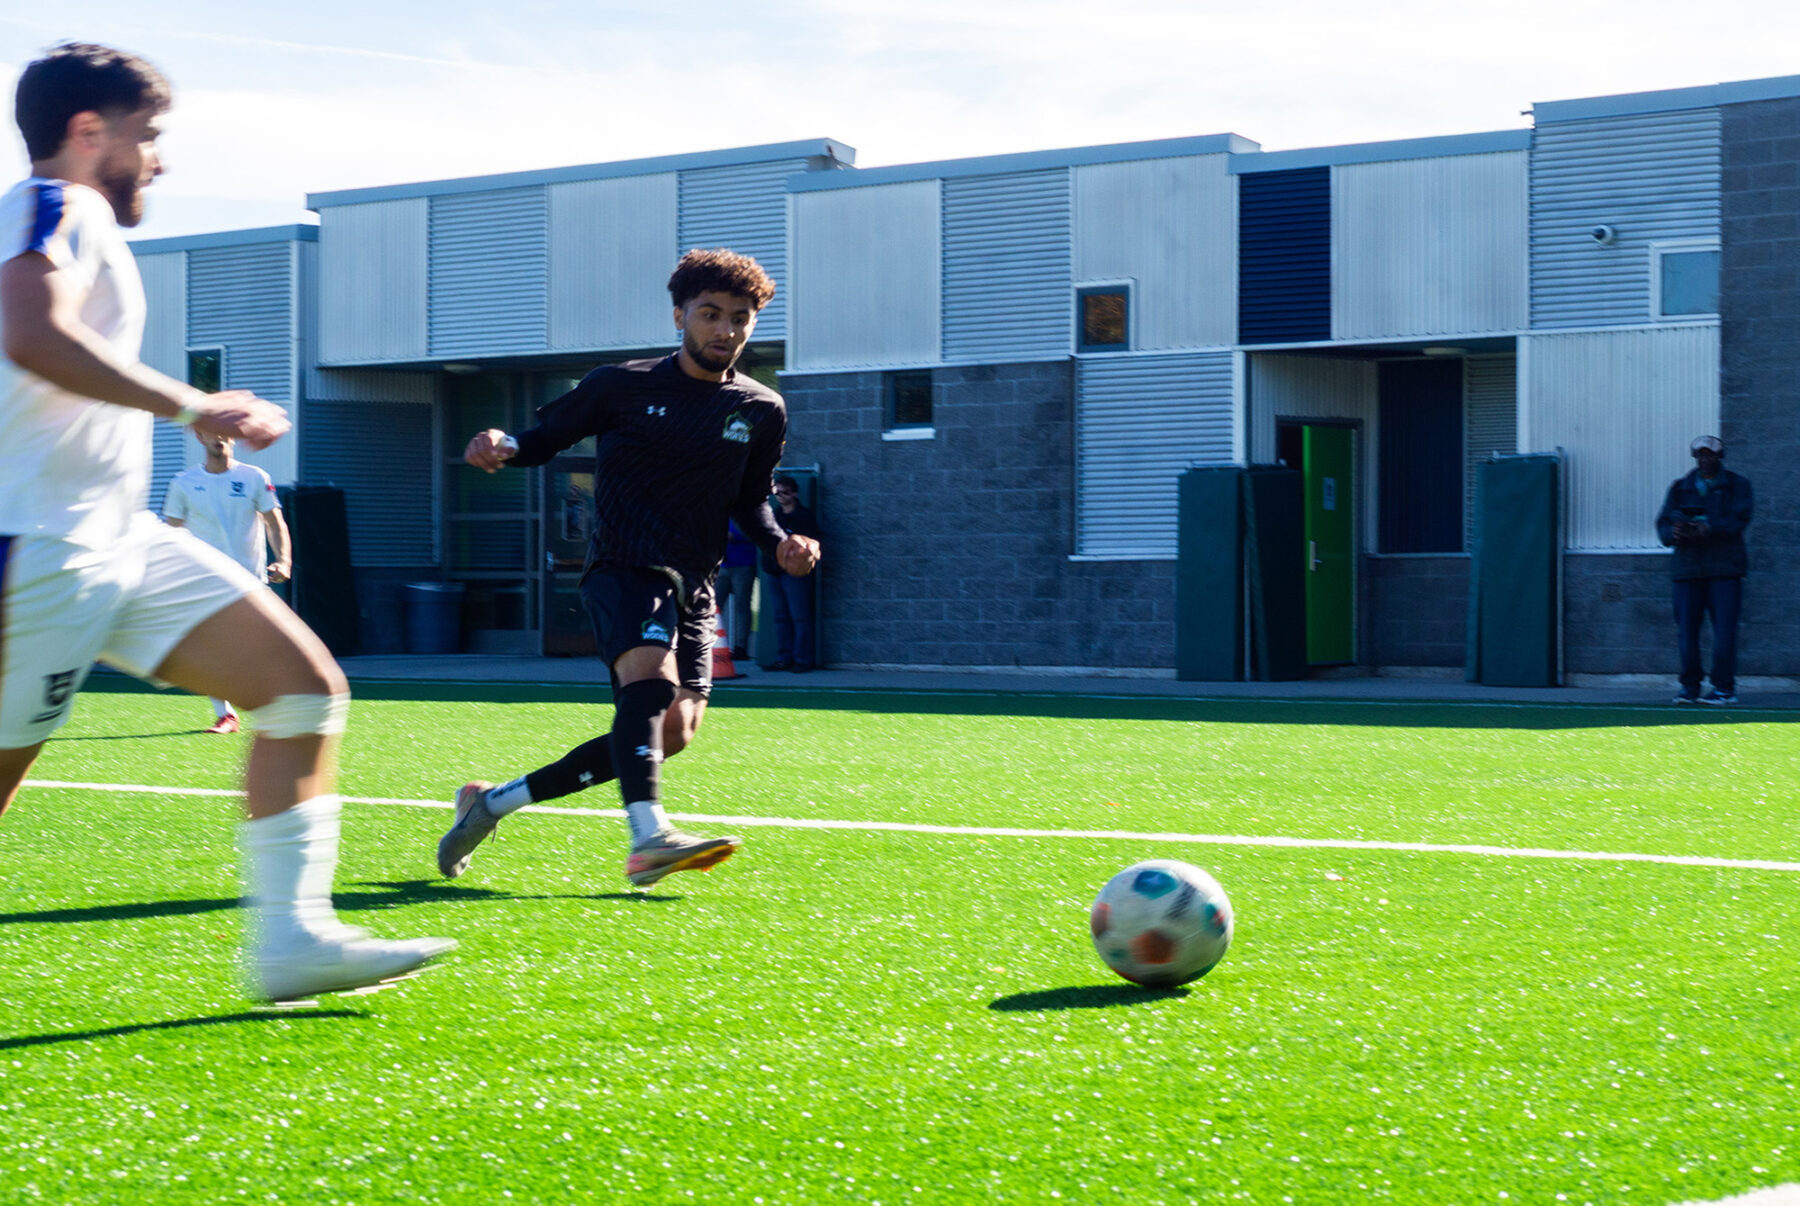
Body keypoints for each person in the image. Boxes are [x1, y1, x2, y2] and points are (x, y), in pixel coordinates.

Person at [0, 43, 452, 1001]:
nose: (158, 161)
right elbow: (29, 329)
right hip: (38, 550)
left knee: (301, 689)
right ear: (89, 132)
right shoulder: (56, 203)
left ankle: (293, 942)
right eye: (148, 136)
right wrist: (193, 407)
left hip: (113, 540)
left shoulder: (76, 219)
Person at [438, 249, 821, 887]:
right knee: (649, 685)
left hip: (696, 583)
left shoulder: (762, 408)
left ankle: (492, 801)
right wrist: (501, 445)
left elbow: (751, 499)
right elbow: (538, 442)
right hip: (623, 565)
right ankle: (650, 838)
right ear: (679, 315)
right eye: (709, 314)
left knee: (672, 733)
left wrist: (783, 542)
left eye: (739, 318)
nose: (724, 329)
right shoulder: (619, 385)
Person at [162, 429, 293, 733]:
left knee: (257, 649)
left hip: (250, 580)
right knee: (214, 649)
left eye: (225, 432)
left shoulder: (254, 477)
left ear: (234, 437)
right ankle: (226, 714)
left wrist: (284, 560)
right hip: (205, 580)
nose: (218, 437)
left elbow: (275, 522)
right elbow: (171, 533)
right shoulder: (183, 482)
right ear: (200, 437)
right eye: (210, 432)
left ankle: (272, 703)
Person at [1655, 435, 1753, 705]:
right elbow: (1663, 524)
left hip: (1724, 571)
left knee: (1724, 633)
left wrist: (1709, 527)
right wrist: (1674, 532)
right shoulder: (1680, 487)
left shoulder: (1737, 485)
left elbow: (1738, 520)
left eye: (1710, 454)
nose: (1704, 459)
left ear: (1720, 456)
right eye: (1699, 454)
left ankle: (1724, 688)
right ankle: (1689, 688)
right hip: (1687, 571)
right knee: (1686, 633)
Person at [763, 474, 822, 672]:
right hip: (774, 571)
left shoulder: (804, 517)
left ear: (794, 493)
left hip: (795, 574)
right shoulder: (774, 516)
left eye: (785, 492)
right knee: (780, 617)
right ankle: (784, 657)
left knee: (800, 617)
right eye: (777, 492)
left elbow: (812, 545)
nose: (780, 496)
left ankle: (802, 659)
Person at [717, 519, 757, 662]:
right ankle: (711, 645)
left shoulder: (745, 510)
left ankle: (741, 647)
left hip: (743, 563)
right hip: (722, 565)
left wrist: (732, 536)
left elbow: (754, 532)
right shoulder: (720, 509)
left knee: (742, 606)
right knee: (713, 607)